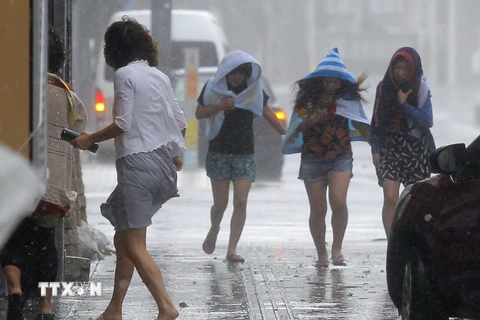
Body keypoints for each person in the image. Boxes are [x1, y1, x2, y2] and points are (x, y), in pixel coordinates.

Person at [72, 16, 185, 320]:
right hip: (160, 163)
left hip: (137, 164)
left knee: (135, 245)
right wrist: (177, 154)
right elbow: (180, 121)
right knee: (123, 237)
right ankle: (114, 308)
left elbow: (124, 123)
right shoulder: (158, 76)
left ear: (114, 49)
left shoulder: (124, 75)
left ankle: (166, 306)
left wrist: (89, 138)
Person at [0, 25, 87, 320]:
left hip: (17, 179)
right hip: (51, 185)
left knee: (12, 238)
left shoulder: (16, 87)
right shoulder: (67, 94)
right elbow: (79, 129)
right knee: (46, 244)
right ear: (58, 58)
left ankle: (14, 290)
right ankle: (46, 306)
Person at [196, 50, 286, 263]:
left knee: (241, 201)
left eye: (241, 73)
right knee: (220, 204)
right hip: (219, 151)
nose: (237, 77)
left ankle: (232, 248)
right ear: (226, 73)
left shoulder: (254, 92)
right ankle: (214, 228)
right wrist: (219, 107)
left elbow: (268, 113)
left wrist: (287, 133)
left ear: (247, 74)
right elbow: (199, 113)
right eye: (233, 73)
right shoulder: (213, 89)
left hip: (244, 153)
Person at [290, 48, 370, 267]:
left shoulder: (348, 99)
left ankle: (337, 248)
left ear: (341, 81)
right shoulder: (307, 99)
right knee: (318, 209)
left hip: (340, 156)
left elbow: (362, 123)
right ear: (320, 79)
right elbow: (296, 128)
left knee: (338, 200)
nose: (331, 84)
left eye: (335, 81)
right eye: (327, 80)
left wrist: (377, 148)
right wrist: (312, 120)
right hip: (312, 157)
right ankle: (321, 253)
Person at [370, 47, 435, 239]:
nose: (400, 72)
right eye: (396, 67)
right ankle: (393, 244)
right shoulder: (384, 88)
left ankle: (413, 240)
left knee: (416, 201)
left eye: (405, 68)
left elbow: (427, 121)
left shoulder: (421, 88)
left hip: (416, 148)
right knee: (390, 197)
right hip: (390, 147)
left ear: (413, 69)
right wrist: (375, 149)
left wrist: (404, 104)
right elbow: (376, 123)